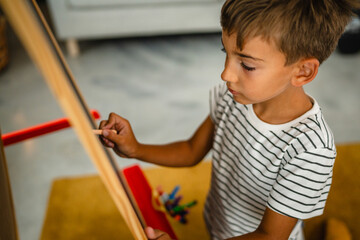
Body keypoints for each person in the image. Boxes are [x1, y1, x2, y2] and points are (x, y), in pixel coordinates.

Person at [99, 0, 359, 239]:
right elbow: (191, 151)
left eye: (247, 65)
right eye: (226, 51)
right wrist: (136, 149)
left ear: (302, 71)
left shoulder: (310, 149)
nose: (226, 74)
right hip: (219, 227)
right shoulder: (235, 97)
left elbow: (269, 236)